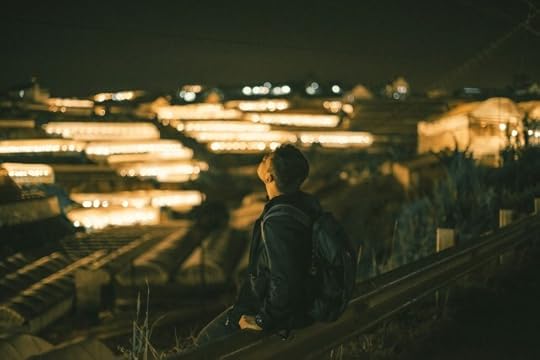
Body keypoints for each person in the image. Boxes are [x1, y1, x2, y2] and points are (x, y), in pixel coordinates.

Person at [196, 144, 321, 345]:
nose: (262, 158)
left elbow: (284, 278)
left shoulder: (278, 221)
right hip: (303, 301)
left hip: (273, 310)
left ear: (269, 177)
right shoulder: (303, 205)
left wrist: (263, 320)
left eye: (266, 159)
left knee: (205, 341)